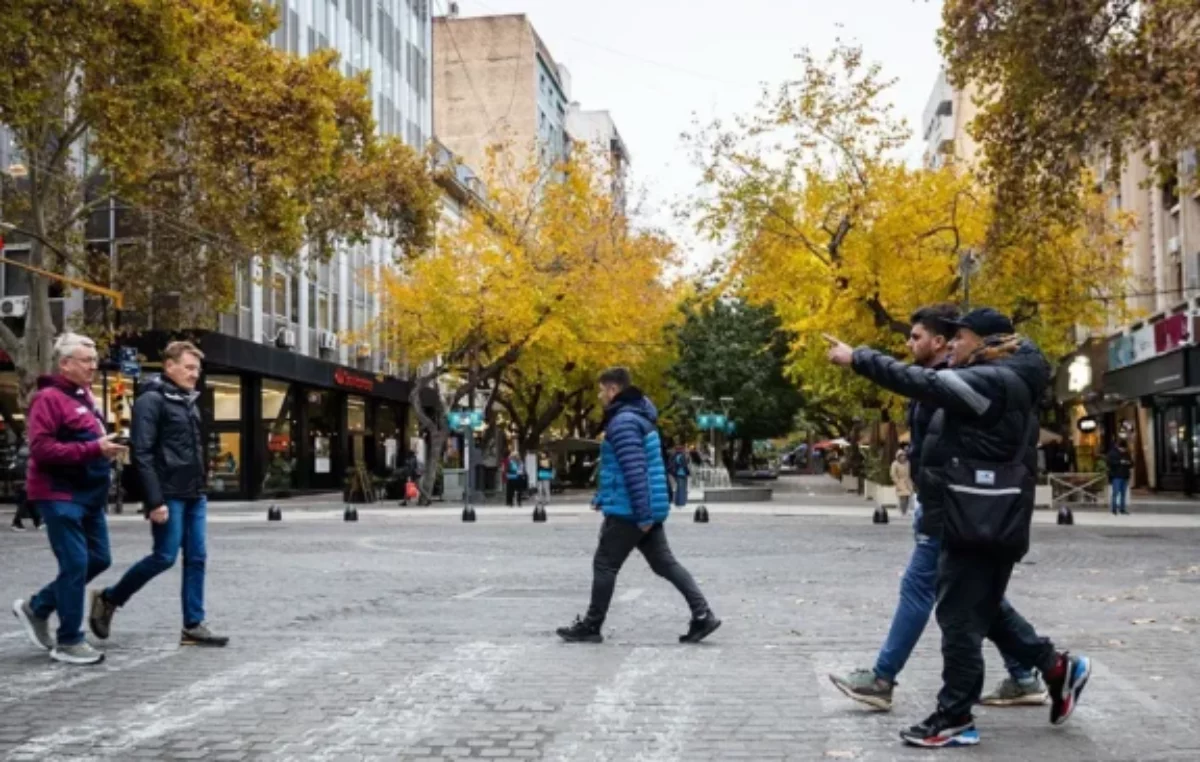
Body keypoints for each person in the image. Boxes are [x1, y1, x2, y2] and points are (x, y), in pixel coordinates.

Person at [827, 308, 1091, 748]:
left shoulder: (992, 381)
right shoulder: (1001, 373)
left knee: (958, 617)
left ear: (987, 341)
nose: (952, 345)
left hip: (979, 516)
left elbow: (925, 383)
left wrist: (859, 358)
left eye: (961, 339)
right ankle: (1054, 668)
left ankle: (954, 717)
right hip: (979, 513)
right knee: (980, 610)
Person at [557, 367, 720, 644]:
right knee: (664, 564)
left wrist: (642, 514)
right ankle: (703, 615)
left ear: (613, 390)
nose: (599, 396)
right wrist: (603, 497)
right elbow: (624, 468)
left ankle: (591, 626)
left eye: (601, 390)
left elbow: (634, 471)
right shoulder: (640, 416)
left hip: (630, 510)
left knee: (605, 564)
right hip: (642, 506)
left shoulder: (623, 422)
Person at [88, 341, 228, 648]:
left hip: (194, 492)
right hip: (168, 494)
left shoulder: (186, 399)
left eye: (197, 369)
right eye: (189, 367)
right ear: (169, 366)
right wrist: (154, 500)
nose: (195, 374)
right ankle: (110, 598)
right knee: (164, 557)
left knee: (197, 557)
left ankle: (193, 625)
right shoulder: (152, 400)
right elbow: (143, 453)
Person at [12, 333, 127, 665]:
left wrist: (105, 446)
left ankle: (39, 606)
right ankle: (69, 641)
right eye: (85, 360)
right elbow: (41, 449)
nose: (93, 366)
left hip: (89, 495)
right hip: (59, 494)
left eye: (94, 360)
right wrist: (96, 448)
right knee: (76, 563)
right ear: (65, 364)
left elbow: (86, 440)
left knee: (99, 559)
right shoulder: (48, 398)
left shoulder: (85, 397)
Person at [10, 441, 42, 531]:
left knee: (29, 501)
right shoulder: (29, 455)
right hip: (25, 481)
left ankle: (38, 521)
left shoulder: (19, 456)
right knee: (25, 502)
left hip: (20, 481)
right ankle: (16, 522)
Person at [1107, 439, 1132, 515]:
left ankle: (1122, 509)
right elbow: (1109, 463)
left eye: (1124, 449)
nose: (1123, 450)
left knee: (1123, 493)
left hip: (1125, 476)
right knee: (1116, 493)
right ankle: (1114, 509)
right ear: (1118, 447)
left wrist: (1128, 463)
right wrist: (1120, 462)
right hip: (1116, 476)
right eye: (1122, 449)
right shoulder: (1112, 453)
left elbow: (1132, 463)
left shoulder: (1127, 453)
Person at [891, 449, 913, 516]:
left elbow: (909, 472)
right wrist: (897, 482)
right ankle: (902, 511)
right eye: (901, 456)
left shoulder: (907, 463)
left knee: (907, 497)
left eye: (904, 455)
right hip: (900, 481)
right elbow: (893, 474)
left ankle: (905, 510)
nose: (903, 457)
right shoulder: (895, 464)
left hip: (907, 481)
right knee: (902, 497)